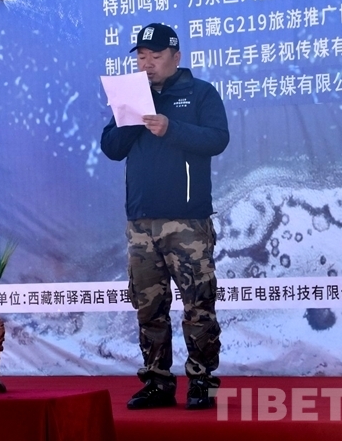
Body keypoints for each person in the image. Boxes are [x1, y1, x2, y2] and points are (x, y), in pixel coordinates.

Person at [100, 23, 229, 410]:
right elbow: (111, 148)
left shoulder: (199, 93)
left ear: (176, 57)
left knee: (198, 304)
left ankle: (202, 381)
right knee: (148, 307)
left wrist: (171, 128)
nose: (148, 63)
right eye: (141, 57)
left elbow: (217, 139)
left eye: (155, 56)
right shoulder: (131, 97)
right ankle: (157, 381)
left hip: (186, 221)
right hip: (141, 222)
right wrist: (132, 117)